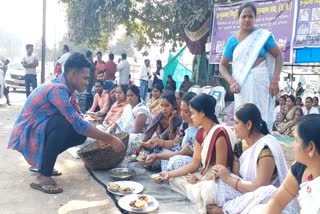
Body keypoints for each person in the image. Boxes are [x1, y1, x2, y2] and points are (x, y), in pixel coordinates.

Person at [7, 53, 125, 194]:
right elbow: (77, 123)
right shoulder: (57, 90)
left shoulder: (69, 91)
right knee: (62, 124)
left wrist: (98, 136)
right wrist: (109, 138)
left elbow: (80, 119)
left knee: (79, 135)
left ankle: (44, 164)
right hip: (26, 135)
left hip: (38, 131)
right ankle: (43, 176)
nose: (87, 82)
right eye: (85, 78)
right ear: (73, 74)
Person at [204, 103, 295, 214]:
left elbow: (260, 186)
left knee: (266, 191)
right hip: (246, 191)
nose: (234, 126)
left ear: (248, 124)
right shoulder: (239, 146)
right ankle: (235, 207)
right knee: (217, 184)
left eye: (236, 123)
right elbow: (237, 177)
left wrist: (228, 178)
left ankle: (226, 210)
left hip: (265, 196)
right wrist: (220, 173)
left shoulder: (265, 148)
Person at [159, 94, 236, 214]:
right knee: (174, 179)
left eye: (193, 113)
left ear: (202, 113)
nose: (191, 117)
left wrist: (200, 181)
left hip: (218, 179)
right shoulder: (200, 133)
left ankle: (200, 194)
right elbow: (194, 164)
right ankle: (197, 194)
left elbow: (219, 171)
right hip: (204, 173)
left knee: (207, 191)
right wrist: (169, 174)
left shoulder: (219, 134)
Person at [219, 2, 283, 131]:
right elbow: (222, 65)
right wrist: (231, 81)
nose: (247, 19)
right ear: (238, 19)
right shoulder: (232, 41)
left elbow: (279, 56)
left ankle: (262, 143)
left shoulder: (262, 37)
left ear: (255, 18)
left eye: (250, 16)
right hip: (241, 84)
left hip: (261, 81)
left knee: (261, 113)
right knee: (243, 115)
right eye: (244, 16)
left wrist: (275, 80)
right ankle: (245, 144)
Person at [262, 114, 320, 214]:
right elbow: (277, 202)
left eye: (296, 140)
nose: (292, 144)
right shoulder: (300, 168)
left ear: (311, 148)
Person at [144, 92, 198, 171]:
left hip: (191, 159)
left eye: (186, 112)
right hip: (180, 153)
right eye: (181, 110)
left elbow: (182, 152)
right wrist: (158, 142)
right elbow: (175, 142)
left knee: (176, 160)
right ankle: (167, 174)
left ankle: (168, 175)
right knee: (163, 152)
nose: (182, 114)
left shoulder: (198, 129)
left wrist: (158, 156)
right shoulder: (185, 123)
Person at [134, 91, 182, 157]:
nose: (164, 109)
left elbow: (172, 140)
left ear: (173, 105)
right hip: (158, 142)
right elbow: (150, 131)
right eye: (162, 106)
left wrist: (171, 121)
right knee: (139, 146)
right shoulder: (160, 116)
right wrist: (141, 144)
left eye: (167, 106)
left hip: (170, 147)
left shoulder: (178, 119)